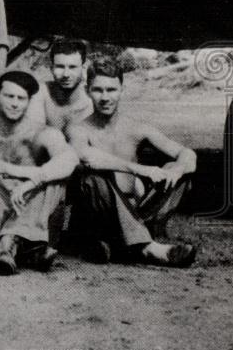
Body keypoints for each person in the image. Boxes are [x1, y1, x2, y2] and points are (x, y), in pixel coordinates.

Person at [66, 57, 198, 267]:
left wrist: (177, 170)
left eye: (112, 90)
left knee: (179, 171)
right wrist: (140, 169)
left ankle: (126, 241)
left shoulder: (136, 128)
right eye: (98, 90)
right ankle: (147, 248)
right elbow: (87, 157)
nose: (105, 97)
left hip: (138, 210)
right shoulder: (78, 129)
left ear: (122, 90)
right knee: (92, 177)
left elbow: (188, 154)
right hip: (99, 212)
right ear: (87, 90)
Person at [0, 71, 78, 274]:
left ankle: (7, 243)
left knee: (56, 181)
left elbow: (70, 158)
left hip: (29, 203)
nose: (15, 103)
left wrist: (32, 181)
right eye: (9, 96)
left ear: (29, 101)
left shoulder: (41, 132)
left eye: (21, 98)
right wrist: (14, 170)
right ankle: (25, 248)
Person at [28, 38, 93, 131]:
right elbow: (34, 134)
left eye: (72, 67)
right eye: (60, 67)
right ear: (51, 68)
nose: (66, 74)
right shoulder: (41, 92)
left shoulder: (90, 100)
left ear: (83, 68)